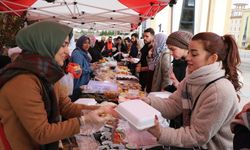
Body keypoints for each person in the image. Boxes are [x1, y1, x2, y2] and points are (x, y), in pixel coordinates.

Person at [0, 21, 115, 150]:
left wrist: (101, 109)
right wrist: (84, 121)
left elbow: (66, 107)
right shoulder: (22, 81)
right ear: (45, 44)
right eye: (63, 45)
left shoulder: (47, 74)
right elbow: (42, 133)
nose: (68, 52)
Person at [143, 32, 241, 149]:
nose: (188, 57)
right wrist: (147, 101)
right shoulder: (191, 79)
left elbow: (197, 136)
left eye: (194, 54)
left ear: (212, 58)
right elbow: (173, 105)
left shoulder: (219, 91)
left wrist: (160, 132)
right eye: (189, 52)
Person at [164, 31, 193, 129]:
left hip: (185, 114)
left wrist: (176, 83)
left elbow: (190, 92)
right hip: (176, 109)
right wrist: (167, 88)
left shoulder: (191, 66)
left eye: (173, 49)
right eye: (169, 49)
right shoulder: (177, 62)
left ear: (186, 47)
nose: (171, 53)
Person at [70, 35, 93, 101]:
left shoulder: (82, 53)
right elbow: (78, 71)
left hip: (83, 84)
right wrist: (91, 69)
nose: (87, 45)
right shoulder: (77, 54)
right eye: (85, 42)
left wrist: (92, 65)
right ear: (80, 43)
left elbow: (83, 65)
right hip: (78, 85)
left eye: (88, 43)